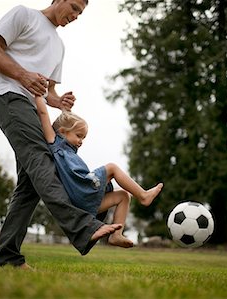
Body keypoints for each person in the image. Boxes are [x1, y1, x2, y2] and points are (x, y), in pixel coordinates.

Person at [0, 0, 121, 269]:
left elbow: (48, 91)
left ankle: (8, 257)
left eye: (81, 12)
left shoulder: (59, 46)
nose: (76, 15)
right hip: (10, 99)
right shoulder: (24, 15)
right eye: (74, 7)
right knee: (44, 162)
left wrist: (59, 102)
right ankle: (82, 227)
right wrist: (23, 76)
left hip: (34, 109)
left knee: (30, 185)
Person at [35, 95, 164, 248]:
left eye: (83, 137)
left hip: (84, 199)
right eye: (79, 136)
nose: (81, 141)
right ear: (62, 132)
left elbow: (65, 121)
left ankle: (116, 236)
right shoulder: (56, 143)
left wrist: (64, 110)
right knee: (112, 168)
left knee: (124, 196)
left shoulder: (70, 150)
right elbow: (43, 114)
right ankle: (143, 196)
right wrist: (39, 95)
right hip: (81, 189)